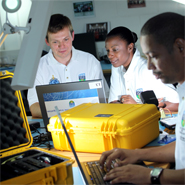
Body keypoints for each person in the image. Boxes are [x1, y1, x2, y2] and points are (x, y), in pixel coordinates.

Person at [99, 12, 185, 184]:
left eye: (154, 56)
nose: (149, 66)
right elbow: (182, 148)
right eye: (146, 57)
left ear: (180, 47)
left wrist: (149, 175)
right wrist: (136, 153)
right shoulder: (182, 91)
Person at [27, 14, 109, 118]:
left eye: (66, 39)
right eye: (55, 42)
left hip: (89, 123)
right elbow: (34, 108)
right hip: (56, 126)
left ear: (73, 36)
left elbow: (105, 99)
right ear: (47, 41)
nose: (62, 46)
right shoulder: (38, 67)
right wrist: (65, 115)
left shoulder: (91, 61)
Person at [106, 26, 179, 111]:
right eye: (107, 50)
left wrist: (138, 107)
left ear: (130, 47)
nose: (109, 55)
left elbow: (178, 104)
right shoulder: (117, 68)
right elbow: (113, 103)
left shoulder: (147, 70)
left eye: (115, 49)